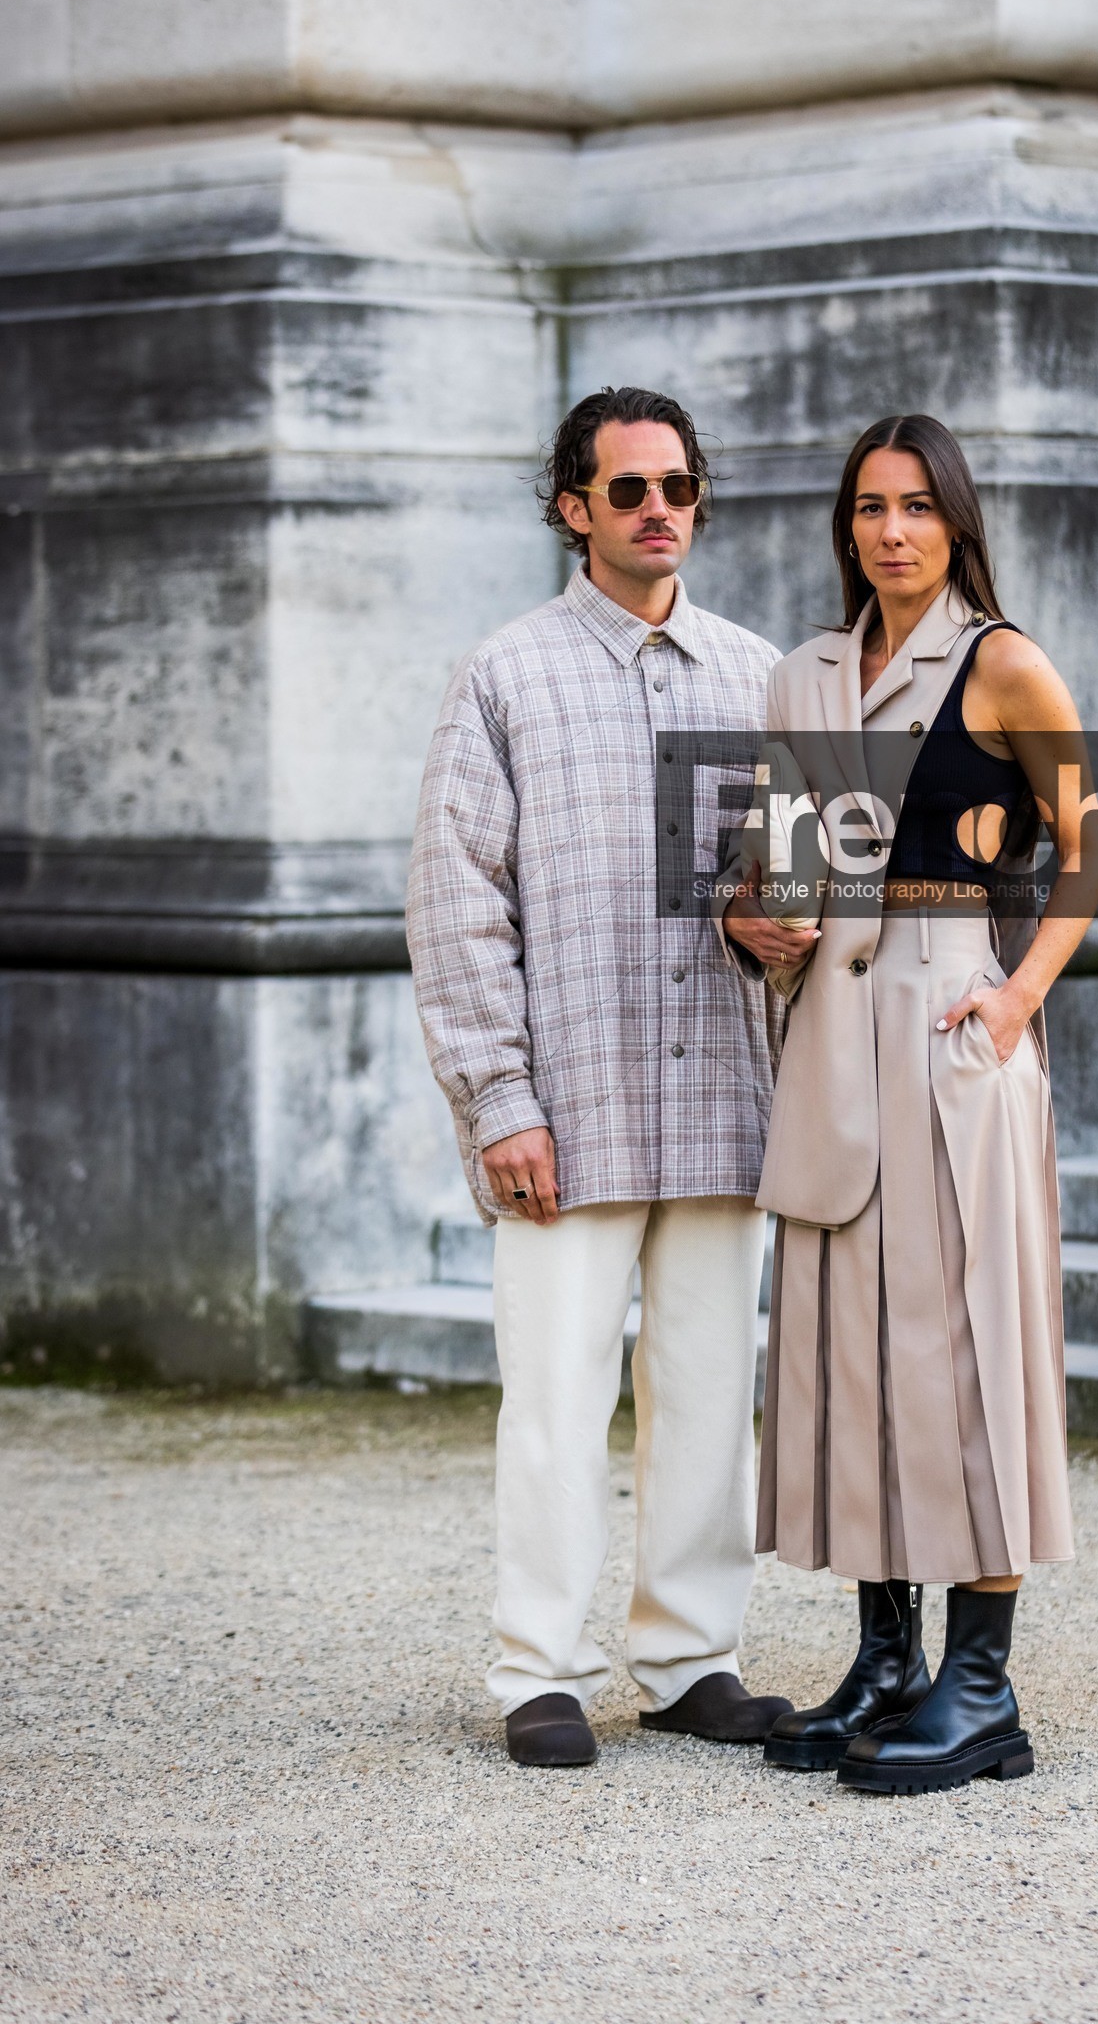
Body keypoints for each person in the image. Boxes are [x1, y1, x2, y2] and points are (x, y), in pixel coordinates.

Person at [408, 384, 793, 1768]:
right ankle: (540, 1673)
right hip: (567, 1107)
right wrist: (496, 1100)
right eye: (628, 490)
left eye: (678, 487)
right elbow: (456, 903)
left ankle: (691, 1658)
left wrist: (783, 935)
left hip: (720, 1098)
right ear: (574, 507)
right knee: (557, 1398)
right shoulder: (505, 674)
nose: (658, 512)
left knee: (707, 1393)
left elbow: (795, 900)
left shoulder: (763, 678)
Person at [723, 412, 1098, 1795]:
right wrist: (748, 925)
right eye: (870, 507)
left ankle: (984, 1689)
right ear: (848, 527)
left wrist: (1014, 1003)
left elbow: (1088, 850)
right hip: (833, 1025)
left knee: (970, 1353)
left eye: (917, 508)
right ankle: (887, 1668)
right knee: (852, 1351)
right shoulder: (803, 678)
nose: (892, 530)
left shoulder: (1003, 665)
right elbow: (778, 872)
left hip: (956, 1019)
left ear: (956, 522)